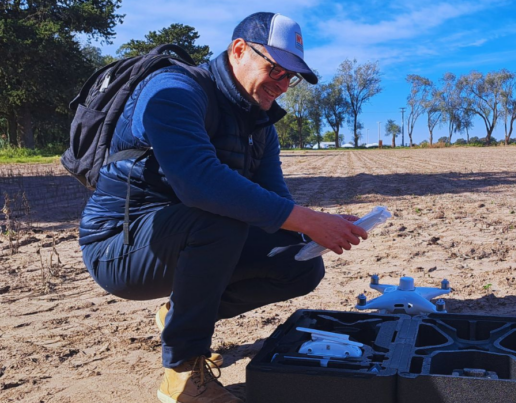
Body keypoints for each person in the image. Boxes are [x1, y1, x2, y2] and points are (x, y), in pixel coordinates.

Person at [78, 12, 367, 403]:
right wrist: (307, 219)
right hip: (117, 245)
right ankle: (181, 375)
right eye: (276, 70)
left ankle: (179, 317)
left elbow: (276, 203)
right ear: (239, 50)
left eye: (290, 77)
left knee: (299, 261)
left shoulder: (260, 126)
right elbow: (198, 182)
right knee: (219, 221)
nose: (282, 86)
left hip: (183, 238)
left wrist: (318, 227)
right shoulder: (174, 89)